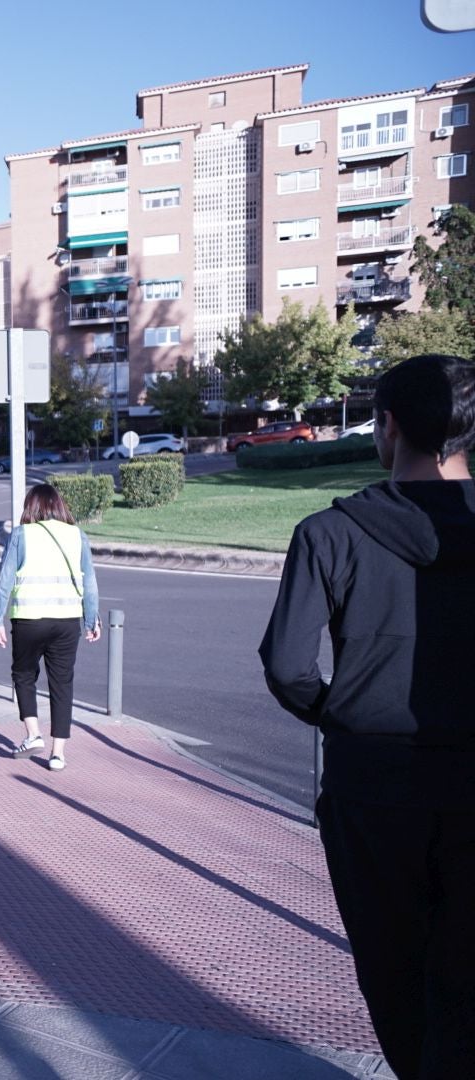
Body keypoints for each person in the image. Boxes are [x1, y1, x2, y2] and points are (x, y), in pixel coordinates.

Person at [259, 355, 475, 1080]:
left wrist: (345, 714)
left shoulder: (330, 534)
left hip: (374, 788)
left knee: (393, 969)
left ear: (386, 426)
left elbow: (289, 667)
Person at [0, 484, 102, 772]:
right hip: (66, 621)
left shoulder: (22, 535)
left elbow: (5, 579)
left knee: (23, 674)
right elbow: (89, 582)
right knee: (62, 684)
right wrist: (91, 619)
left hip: (29, 618)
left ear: (32, 507)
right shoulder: (77, 535)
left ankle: (33, 735)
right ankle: (58, 754)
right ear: (59, 505)